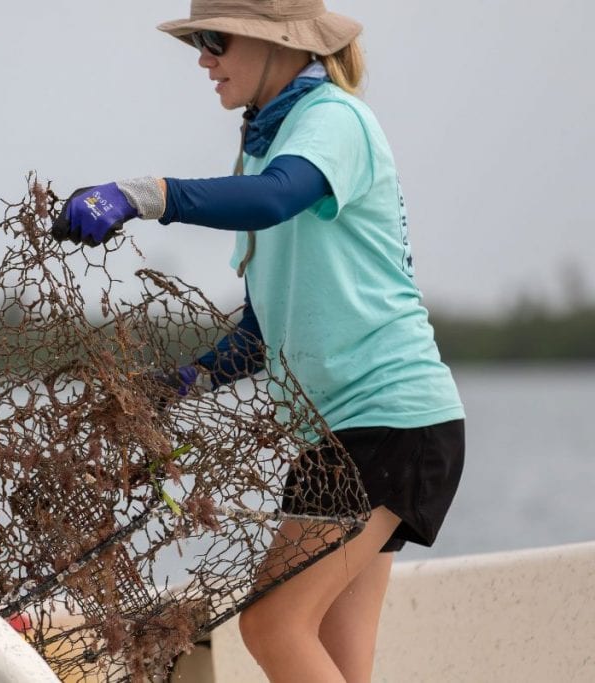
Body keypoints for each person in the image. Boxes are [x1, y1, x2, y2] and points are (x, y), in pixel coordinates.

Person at [50, 1, 465, 681]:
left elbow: (274, 198)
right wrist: (183, 382)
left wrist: (147, 194)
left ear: (280, 43)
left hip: (390, 423)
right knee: (337, 655)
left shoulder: (332, 121)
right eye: (197, 42)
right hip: (336, 439)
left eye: (215, 40)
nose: (202, 58)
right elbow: (262, 329)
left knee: (272, 623)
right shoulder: (267, 140)